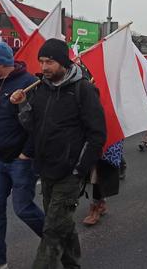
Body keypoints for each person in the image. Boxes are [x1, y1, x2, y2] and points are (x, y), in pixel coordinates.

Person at [10, 38, 106, 269]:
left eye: (50, 62)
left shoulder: (83, 90)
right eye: (42, 62)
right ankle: (72, 264)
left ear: (64, 62)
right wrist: (22, 105)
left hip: (69, 173)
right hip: (46, 169)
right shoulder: (40, 89)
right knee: (62, 224)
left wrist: (79, 170)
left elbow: (97, 135)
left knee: (52, 229)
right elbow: (32, 127)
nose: (44, 67)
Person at [0, 42, 45, 269]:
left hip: (21, 161)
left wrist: (26, 154)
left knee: (23, 209)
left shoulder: (30, 84)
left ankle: (59, 241)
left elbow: (38, 124)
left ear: (2, 63)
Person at [81, 140, 122, 226]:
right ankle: (100, 203)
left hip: (104, 149)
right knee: (95, 176)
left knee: (98, 176)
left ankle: (96, 206)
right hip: (97, 147)